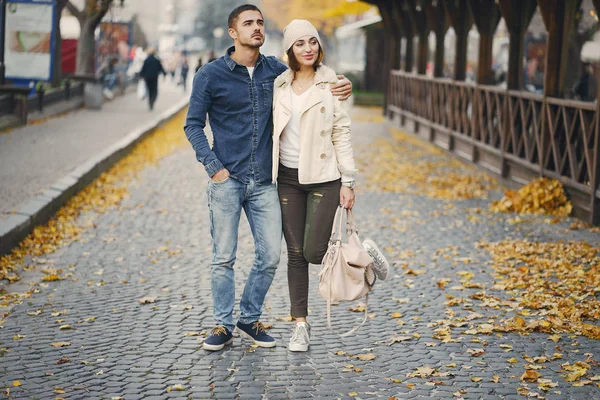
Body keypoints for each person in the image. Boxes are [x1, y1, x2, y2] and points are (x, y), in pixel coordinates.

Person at [183, 4, 352, 352]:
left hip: (265, 182)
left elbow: (311, 71)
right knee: (223, 257)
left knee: (271, 256)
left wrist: (340, 82)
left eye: (260, 22)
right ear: (233, 32)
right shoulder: (210, 75)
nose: (257, 28)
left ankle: (249, 317)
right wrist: (213, 166)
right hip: (226, 180)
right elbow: (192, 125)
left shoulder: (276, 71)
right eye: (249, 23)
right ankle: (222, 324)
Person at [272, 19, 390, 352]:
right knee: (295, 255)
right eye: (300, 44)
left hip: (324, 176)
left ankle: (362, 257)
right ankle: (300, 326)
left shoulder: (332, 84)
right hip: (287, 179)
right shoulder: (279, 84)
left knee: (313, 251)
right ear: (290, 50)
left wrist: (348, 181)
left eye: (313, 41)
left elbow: (341, 132)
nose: (308, 48)